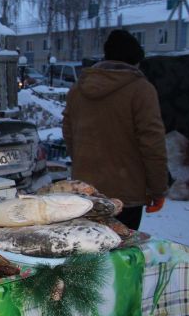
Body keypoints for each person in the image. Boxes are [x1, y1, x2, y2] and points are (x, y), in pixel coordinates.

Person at [62, 29, 168, 230]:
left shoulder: (78, 89)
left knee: (88, 252)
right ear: (136, 61)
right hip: (125, 193)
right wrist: (158, 189)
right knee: (120, 254)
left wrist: (84, 165)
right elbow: (152, 143)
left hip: (85, 192)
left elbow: (68, 133)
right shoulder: (141, 90)